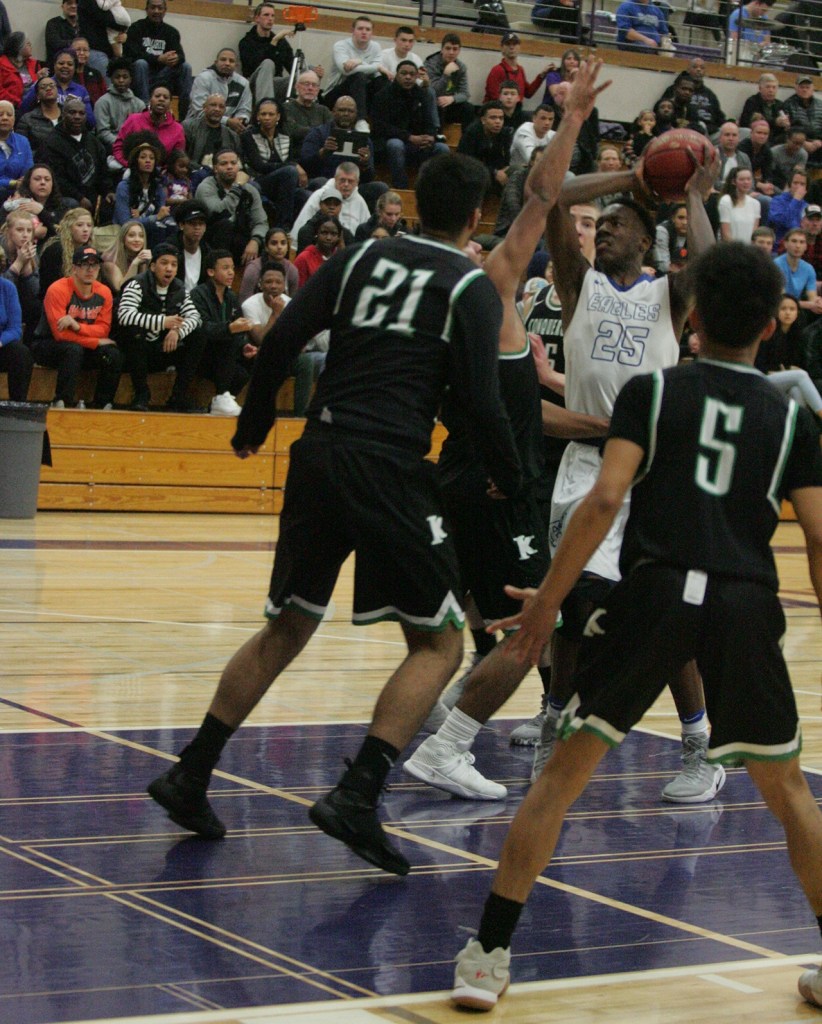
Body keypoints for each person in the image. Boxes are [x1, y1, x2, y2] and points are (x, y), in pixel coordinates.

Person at [449, 241, 822, 1013]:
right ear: (768, 327)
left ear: (691, 319)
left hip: (652, 595)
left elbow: (603, 501)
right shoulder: (792, 419)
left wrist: (549, 600)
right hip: (744, 602)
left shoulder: (652, 395)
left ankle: (488, 955)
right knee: (787, 790)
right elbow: (820, 535)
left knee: (562, 777)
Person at [145, 150, 523, 875]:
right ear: (475, 218)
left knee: (288, 622)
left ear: (412, 208)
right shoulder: (471, 285)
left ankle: (191, 772)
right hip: (387, 462)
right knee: (439, 643)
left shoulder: (358, 259)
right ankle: (358, 792)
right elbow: (480, 399)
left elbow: (283, 339)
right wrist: (512, 480)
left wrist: (253, 422)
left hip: (319, 450)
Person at [403, 60, 614, 803]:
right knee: (533, 621)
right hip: (495, 482)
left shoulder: (456, 307)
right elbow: (542, 196)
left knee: (494, 621)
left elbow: (531, 410)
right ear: (469, 237)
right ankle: (451, 741)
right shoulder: (488, 289)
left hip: (461, 477)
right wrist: (575, 119)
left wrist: (604, 424)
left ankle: (438, 712)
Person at [117, 241, 204, 412]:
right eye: (164, 263)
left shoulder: (179, 287)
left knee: (199, 334)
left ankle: (178, 396)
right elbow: (124, 315)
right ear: (153, 266)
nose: (169, 269)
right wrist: (162, 321)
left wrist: (178, 331)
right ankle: (141, 394)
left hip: (162, 348)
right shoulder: (137, 284)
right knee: (134, 331)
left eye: (174, 264)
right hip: (135, 353)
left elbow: (196, 317)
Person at [33, 245, 123, 409]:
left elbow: (103, 330)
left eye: (94, 265)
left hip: (80, 345)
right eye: (85, 264)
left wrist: (76, 326)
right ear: (74, 268)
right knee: (73, 350)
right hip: (48, 345)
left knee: (112, 354)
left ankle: (103, 404)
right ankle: (63, 401)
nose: (90, 270)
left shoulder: (104, 292)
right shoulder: (58, 289)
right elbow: (60, 335)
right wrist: (94, 342)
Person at [241, 260, 322, 415]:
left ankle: (300, 416)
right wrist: (275, 314)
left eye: (278, 282)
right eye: (268, 282)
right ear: (260, 284)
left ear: (284, 285)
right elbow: (261, 340)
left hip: (282, 355)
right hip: (256, 356)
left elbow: (300, 342)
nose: (273, 286)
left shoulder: (292, 304)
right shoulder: (250, 305)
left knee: (306, 361)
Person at [189, 250, 255, 416]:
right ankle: (221, 396)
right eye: (225, 268)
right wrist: (229, 329)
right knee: (229, 341)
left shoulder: (231, 297)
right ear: (211, 272)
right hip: (198, 353)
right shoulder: (198, 295)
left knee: (242, 374)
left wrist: (244, 345)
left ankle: (219, 402)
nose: (231, 272)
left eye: (232, 268)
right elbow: (200, 329)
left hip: (223, 355)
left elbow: (238, 330)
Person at [370, 60, 449, 189]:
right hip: (389, 143)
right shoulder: (383, 95)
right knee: (395, 145)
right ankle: (400, 187)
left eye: (412, 74)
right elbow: (380, 126)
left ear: (417, 76)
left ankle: (429, 188)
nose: (408, 77)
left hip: (417, 143)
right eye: (404, 73)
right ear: (397, 75)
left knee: (442, 149)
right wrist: (408, 137)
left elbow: (430, 120)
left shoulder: (423, 95)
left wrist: (430, 136)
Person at [37, 98, 112, 220]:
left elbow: (103, 170)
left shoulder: (93, 141)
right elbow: (56, 178)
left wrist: (108, 191)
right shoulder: (52, 142)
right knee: (74, 206)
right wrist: (79, 197)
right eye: (72, 112)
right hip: (66, 196)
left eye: (81, 113)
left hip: (92, 194)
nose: (77, 117)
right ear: (63, 114)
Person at [195, 148, 268, 268]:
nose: (230, 167)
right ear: (215, 168)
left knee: (274, 242)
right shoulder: (205, 187)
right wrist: (237, 187)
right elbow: (220, 212)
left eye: (233, 163)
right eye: (224, 164)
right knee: (225, 225)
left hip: (239, 236)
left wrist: (255, 241)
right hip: (212, 239)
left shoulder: (250, 190)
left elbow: (261, 222)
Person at [240, 98, 302, 230]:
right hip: (259, 181)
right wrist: (292, 166)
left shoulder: (285, 136)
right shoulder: (248, 136)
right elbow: (259, 166)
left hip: (284, 185)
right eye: (263, 114)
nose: (267, 118)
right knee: (290, 171)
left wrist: (291, 165)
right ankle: (282, 227)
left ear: (278, 116)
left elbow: (289, 160)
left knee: (306, 195)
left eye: (271, 114)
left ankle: (296, 234)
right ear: (257, 116)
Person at [124, 0, 193, 119]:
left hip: (163, 76)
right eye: (153, 8)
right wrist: (158, 59)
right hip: (143, 76)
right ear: (147, 10)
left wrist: (176, 58)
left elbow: (181, 55)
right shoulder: (136, 28)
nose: (156, 11)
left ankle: (185, 114)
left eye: (160, 8)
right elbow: (131, 54)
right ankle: (145, 108)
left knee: (186, 67)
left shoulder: (171, 32)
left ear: (165, 11)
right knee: (141, 63)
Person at [300, 95, 381, 194]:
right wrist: (322, 153)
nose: (346, 114)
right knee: (321, 182)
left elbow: (369, 177)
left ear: (356, 114)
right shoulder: (317, 133)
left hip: (352, 186)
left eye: (350, 111)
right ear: (333, 112)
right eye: (342, 110)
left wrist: (365, 164)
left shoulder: (364, 140)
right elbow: (305, 166)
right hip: (324, 182)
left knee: (380, 188)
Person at [290, 164, 373, 247]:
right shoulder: (320, 195)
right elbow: (300, 231)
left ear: (357, 182)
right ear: (335, 179)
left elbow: (367, 233)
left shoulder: (360, 201)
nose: (346, 184)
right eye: (342, 180)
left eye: (350, 181)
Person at [322, 16, 387, 117]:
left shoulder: (376, 47)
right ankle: (361, 120)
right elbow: (346, 71)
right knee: (359, 76)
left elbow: (376, 72)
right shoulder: (340, 46)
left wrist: (359, 61)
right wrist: (377, 67)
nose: (364, 32)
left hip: (361, 93)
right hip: (334, 94)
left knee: (382, 80)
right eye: (360, 28)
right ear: (353, 30)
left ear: (372, 32)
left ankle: (379, 120)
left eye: (368, 29)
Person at [239, 1, 299, 106]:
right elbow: (252, 66)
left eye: (272, 16)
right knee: (268, 63)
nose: (270, 18)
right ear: (257, 18)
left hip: (276, 83)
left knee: (305, 73)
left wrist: (307, 74)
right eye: (266, 15)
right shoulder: (246, 42)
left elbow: (292, 67)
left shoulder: (280, 41)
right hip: (254, 83)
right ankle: (266, 107)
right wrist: (273, 42)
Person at [112, 83, 184, 168]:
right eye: (157, 96)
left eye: (165, 97)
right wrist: (129, 165)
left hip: (160, 174)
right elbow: (118, 147)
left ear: (170, 103)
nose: (161, 99)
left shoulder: (178, 129)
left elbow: (177, 159)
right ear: (150, 100)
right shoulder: (133, 120)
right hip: (130, 170)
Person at [21, 50, 94, 128]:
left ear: (75, 68)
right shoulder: (44, 85)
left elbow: (91, 122)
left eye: (70, 64)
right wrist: (38, 83)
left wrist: (76, 107)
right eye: (61, 63)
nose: (65, 66)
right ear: (54, 65)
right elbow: (24, 108)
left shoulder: (81, 90)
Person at [187, 49, 252, 135]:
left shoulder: (244, 83)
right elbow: (200, 111)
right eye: (223, 59)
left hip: (230, 128)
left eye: (231, 61)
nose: (227, 63)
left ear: (236, 65)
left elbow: (245, 109)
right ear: (216, 62)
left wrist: (240, 120)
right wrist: (227, 121)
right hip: (200, 125)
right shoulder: (203, 78)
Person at [39, 207, 96, 298]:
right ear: (69, 228)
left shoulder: (90, 251)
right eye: (80, 225)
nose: (85, 229)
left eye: (89, 225)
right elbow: (49, 286)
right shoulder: (55, 250)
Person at [658, 59, 725, 135]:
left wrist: (730, 124)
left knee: (738, 131)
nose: (699, 70)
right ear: (688, 70)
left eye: (702, 68)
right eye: (695, 67)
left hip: (711, 131)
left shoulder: (710, 94)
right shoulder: (673, 89)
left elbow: (719, 116)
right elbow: (662, 110)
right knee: (700, 125)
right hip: (688, 130)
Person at [457, 100, 511, 195]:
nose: (498, 122)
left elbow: (506, 160)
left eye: (501, 118)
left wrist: (503, 170)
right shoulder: (471, 133)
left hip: (494, 173)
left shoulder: (505, 133)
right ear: (483, 120)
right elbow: (467, 163)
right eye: (493, 118)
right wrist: (494, 172)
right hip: (471, 174)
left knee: (516, 171)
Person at [94, 57, 145, 156]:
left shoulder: (139, 104)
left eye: (125, 77)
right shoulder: (102, 102)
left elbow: (142, 131)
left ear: (131, 79)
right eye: (117, 77)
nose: (121, 80)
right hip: (110, 148)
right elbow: (103, 132)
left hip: (134, 148)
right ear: (111, 78)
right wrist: (121, 145)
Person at [0, 247, 32, 401]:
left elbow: (15, 329)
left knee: (21, 353)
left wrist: (1, 341)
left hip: (1, 345)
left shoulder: (7, 288)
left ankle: (18, 407)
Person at [484, 32, 552, 103]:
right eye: (508, 44)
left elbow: (528, 93)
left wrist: (542, 75)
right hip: (498, 111)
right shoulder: (497, 70)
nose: (511, 47)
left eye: (514, 44)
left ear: (519, 47)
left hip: (514, 110)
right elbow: (495, 97)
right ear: (502, 48)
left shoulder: (520, 69)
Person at [423, 33, 473, 127]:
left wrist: (452, 99)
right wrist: (446, 74)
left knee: (468, 108)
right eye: (448, 48)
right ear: (442, 49)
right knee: (439, 104)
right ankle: (437, 136)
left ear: (459, 51)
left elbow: (465, 94)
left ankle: (466, 139)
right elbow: (434, 91)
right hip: (433, 104)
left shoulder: (461, 67)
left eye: (455, 49)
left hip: (449, 102)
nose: (451, 52)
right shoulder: (430, 64)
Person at [183, 93, 242, 172]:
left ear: (224, 110)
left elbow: (237, 162)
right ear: (204, 107)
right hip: (195, 172)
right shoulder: (188, 127)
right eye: (213, 105)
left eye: (221, 107)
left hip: (224, 174)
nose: (217, 109)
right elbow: (183, 157)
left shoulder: (232, 135)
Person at [239, 225, 298, 301]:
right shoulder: (253, 269)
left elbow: (292, 302)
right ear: (266, 247)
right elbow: (244, 301)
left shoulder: (292, 270)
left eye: (283, 243)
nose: (279, 247)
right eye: (274, 243)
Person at [774, 228, 822, 318]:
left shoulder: (809, 269)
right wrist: (810, 305)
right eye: (794, 241)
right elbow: (783, 299)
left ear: (806, 246)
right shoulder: (776, 265)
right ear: (786, 244)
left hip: (796, 310)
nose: (798, 246)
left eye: (801, 242)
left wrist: (818, 302)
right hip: (777, 309)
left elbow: (812, 296)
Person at [100, 217, 150, 295]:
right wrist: (135, 264)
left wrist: (146, 264)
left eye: (141, 236)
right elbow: (121, 289)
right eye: (131, 235)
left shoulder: (141, 258)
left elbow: (144, 287)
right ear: (123, 238)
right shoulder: (109, 260)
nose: (137, 239)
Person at [295, 187, 352, 253]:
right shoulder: (307, 231)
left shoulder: (346, 235)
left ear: (341, 206)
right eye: (328, 203)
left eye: (336, 204)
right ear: (320, 204)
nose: (332, 207)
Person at [293, 214, 343, 287]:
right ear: (316, 233)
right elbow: (298, 292)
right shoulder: (304, 258)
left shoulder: (339, 259)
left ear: (339, 237)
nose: (328, 238)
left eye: (333, 234)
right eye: (324, 233)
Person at [171, 200, 210, 293]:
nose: (197, 227)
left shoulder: (208, 252)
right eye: (192, 223)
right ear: (181, 225)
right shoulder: (170, 250)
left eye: (201, 224)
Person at [783, 75, 822, 167]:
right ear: (796, 88)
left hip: (819, 142)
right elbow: (787, 130)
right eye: (802, 87)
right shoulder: (788, 105)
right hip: (798, 143)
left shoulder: (821, 105)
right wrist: (803, 143)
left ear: (813, 89)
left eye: (807, 87)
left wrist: (820, 142)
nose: (805, 90)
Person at [17, 78, 64, 153]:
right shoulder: (27, 119)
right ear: (38, 95)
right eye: (43, 87)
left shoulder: (68, 115)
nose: (48, 88)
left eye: (52, 86)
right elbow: (21, 150)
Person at [0, 103, 33, 207]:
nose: (5, 118)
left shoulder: (23, 141)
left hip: (20, 192)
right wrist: (12, 183)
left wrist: (22, 183)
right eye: (0, 114)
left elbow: (28, 171)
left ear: (14, 120)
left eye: (9, 115)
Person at [0, 33, 46, 108]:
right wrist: (19, 102)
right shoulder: (2, 65)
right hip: (11, 106)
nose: (31, 45)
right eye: (27, 43)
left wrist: (39, 79)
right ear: (18, 47)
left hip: (35, 105)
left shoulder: (34, 64)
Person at [739, 73, 790, 140]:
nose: (771, 90)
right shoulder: (752, 102)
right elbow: (745, 123)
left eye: (774, 87)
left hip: (776, 138)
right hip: (756, 137)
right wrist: (775, 122)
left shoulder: (780, 104)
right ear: (760, 88)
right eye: (768, 87)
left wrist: (786, 124)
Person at [768, 168, 810, 245]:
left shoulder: (807, 206)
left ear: (806, 189)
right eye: (795, 183)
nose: (798, 187)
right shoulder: (777, 201)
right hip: (779, 246)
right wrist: (795, 200)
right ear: (789, 185)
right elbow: (784, 222)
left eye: (802, 184)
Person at [718, 167, 760, 242]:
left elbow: (754, 233)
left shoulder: (755, 204)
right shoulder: (726, 201)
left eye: (748, 179)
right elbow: (725, 233)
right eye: (742, 179)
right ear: (734, 182)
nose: (746, 182)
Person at [71, 37, 106, 108]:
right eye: (78, 50)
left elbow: (104, 96)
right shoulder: (67, 74)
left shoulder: (96, 74)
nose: (82, 53)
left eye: (85, 50)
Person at [46, 0, 82, 66]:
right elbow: (56, 44)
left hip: (80, 66)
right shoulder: (53, 23)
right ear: (62, 6)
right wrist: (78, 44)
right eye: (69, 3)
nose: (74, 6)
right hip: (58, 66)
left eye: (76, 3)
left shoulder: (84, 25)